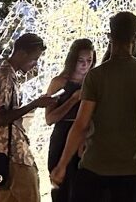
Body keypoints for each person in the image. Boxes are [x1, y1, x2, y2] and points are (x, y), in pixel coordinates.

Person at [51, 13, 136, 201]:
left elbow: (81, 124)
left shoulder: (96, 76)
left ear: (110, 37)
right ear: (135, 37)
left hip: (97, 163)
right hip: (132, 163)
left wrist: (62, 164)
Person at [0, 33, 57, 202]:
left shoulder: (5, 73)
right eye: (34, 59)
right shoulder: (5, 75)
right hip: (12, 153)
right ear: (22, 53)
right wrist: (35, 104)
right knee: (29, 194)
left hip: (1, 152)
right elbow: (0, 118)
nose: (35, 64)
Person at [45, 39, 95, 202]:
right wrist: (72, 100)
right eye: (81, 61)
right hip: (62, 136)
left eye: (89, 61)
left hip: (86, 137)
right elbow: (50, 118)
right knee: (62, 189)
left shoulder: (93, 83)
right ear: (72, 60)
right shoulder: (59, 83)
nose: (85, 65)